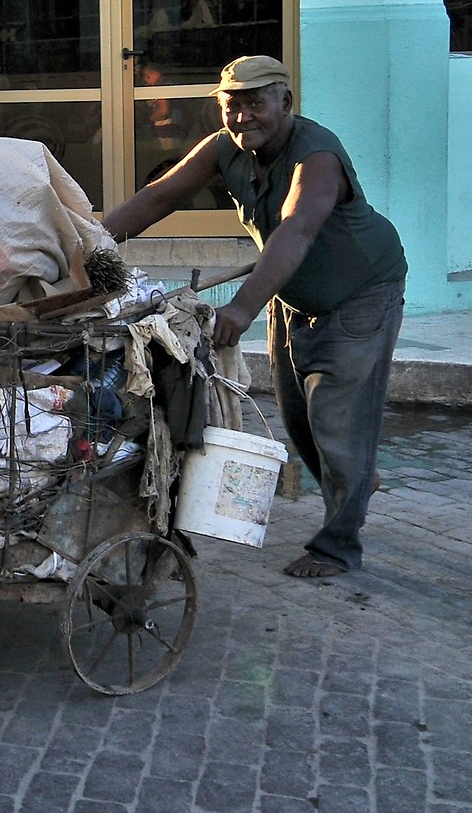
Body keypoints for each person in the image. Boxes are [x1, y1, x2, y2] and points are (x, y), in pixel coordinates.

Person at [101, 55, 407, 580]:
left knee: (336, 419)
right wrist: (93, 246)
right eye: (232, 105)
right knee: (298, 419)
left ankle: (337, 546)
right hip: (294, 296)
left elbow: (297, 230)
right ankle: (355, 480)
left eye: (256, 104)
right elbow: (161, 195)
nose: (243, 116)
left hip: (362, 295)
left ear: (285, 102)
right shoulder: (225, 149)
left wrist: (243, 307)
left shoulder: (318, 155)